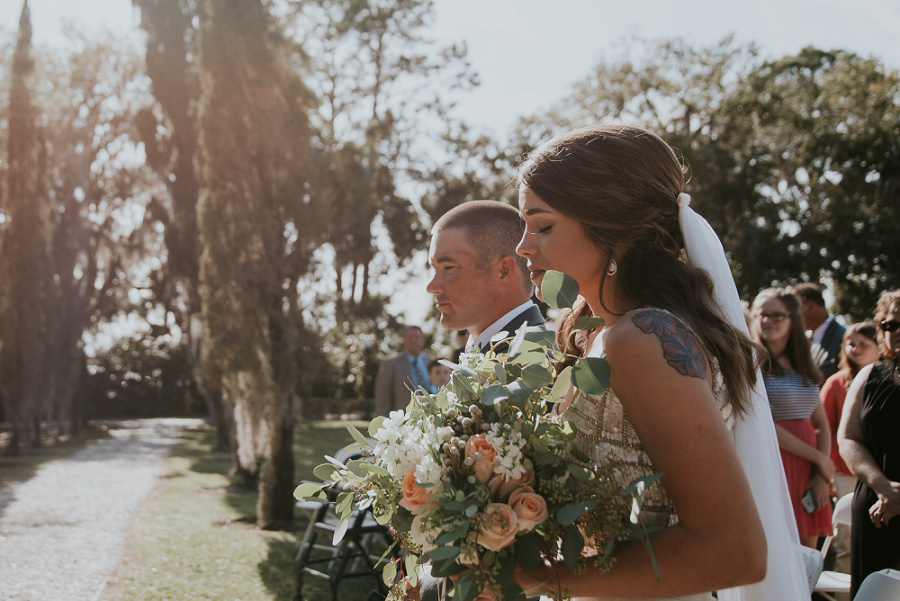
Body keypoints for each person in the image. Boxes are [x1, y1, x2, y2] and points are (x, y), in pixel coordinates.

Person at [512, 124, 808, 601]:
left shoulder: (645, 339)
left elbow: (736, 552)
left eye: (543, 225)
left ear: (614, 227)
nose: (524, 246)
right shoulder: (596, 334)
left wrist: (543, 579)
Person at [750, 288, 833, 548]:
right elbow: (763, 425)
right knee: (776, 549)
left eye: (776, 315)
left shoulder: (803, 362)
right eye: (762, 314)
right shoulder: (751, 364)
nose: (768, 321)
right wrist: (819, 458)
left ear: (792, 319)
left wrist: (821, 475)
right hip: (773, 463)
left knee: (807, 558)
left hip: (808, 470)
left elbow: (820, 422)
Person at [838, 290, 900, 597]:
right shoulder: (870, 375)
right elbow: (848, 438)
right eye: (889, 326)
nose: (895, 332)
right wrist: (884, 488)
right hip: (876, 508)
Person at [426, 200, 544, 354]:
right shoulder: (488, 351)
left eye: (448, 268)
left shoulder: (529, 362)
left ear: (504, 271)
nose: (432, 287)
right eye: (433, 270)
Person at [820, 322, 879, 584]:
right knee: (847, 544)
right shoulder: (836, 383)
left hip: (882, 472)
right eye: (850, 343)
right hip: (844, 473)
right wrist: (828, 472)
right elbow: (823, 428)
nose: (855, 349)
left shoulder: (884, 381)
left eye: (863, 344)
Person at [374, 325, 433, 417]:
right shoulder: (390, 364)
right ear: (404, 340)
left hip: (432, 418)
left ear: (422, 340)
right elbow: (383, 398)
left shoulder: (432, 362)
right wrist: (383, 421)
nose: (413, 340)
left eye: (417, 337)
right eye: (409, 337)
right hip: (404, 421)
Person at [794, 282, 847, 382]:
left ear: (809, 307)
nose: (792, 318)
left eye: (795, 311)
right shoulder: (805, 340)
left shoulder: (842, 338)